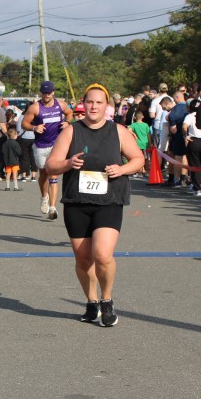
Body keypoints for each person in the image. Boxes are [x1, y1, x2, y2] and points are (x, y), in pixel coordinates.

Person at [45, 84, 144, 328]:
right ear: (83, 103)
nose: (94, 107)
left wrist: (121, 169)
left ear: (107, 106)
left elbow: (138, 159)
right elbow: (51, 165)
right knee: (83, 259)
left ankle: (107, 300)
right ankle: (92, 302)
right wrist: (68, 163)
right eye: (90, 102)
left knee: (102, 255)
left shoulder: (118, 131)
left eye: (99, 102)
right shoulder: (71, 131)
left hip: (109, 200)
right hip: (77, 201)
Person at [23, 81, 73, 220]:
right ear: (41, 93)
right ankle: (44, 197)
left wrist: (67, 122)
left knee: (53, 175)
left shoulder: (60, 104)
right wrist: (34, 127)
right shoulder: (35, 107)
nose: (46, 95)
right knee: (44, 174)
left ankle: (52, 207)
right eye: (44, 93)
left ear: (53, 92)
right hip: (40, 146)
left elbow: (70, 113)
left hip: (56, 145)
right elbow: (24, 123)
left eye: (49, 93)